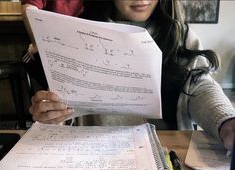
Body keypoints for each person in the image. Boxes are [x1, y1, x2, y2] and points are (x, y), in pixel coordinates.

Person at [29, 0, 235, 150]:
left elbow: (201, 87)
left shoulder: (180, 36)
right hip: (92, 154)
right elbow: (65, 110)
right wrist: (52, 116)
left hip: (168, 154)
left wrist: (226, 122)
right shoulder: (76, 33)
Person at [21, 0, 83, 88]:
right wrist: (38, 43)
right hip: (53, 45)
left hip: (74, 50)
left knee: (29, 57)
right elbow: (29, 10)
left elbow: (28, 10)